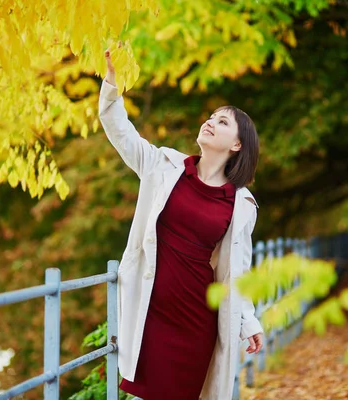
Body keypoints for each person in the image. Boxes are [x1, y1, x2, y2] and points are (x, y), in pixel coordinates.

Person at [98, 49, 264, 400]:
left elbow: (238, 271)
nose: (210, 122)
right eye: (211, 116)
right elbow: (119, 130)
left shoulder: (240, 203)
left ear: (237, 144)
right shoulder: (165, 166)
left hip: (195, 320)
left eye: (222, 122)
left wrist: (248, 321)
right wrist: (112, 82)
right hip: (152, 311)